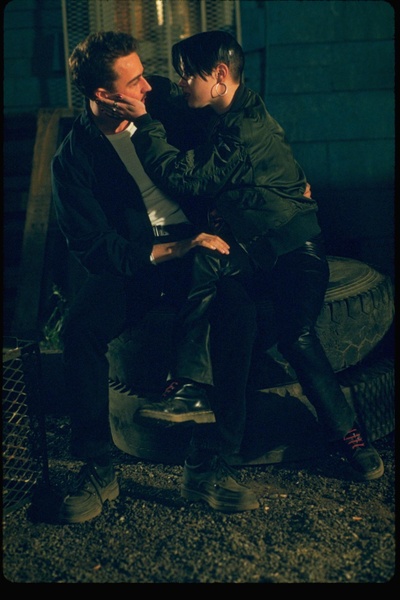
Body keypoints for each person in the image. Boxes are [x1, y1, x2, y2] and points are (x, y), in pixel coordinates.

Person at [100, 30, 384, 483]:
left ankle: (349, 435)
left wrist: (144, 124)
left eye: (188, 75)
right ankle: (193, 397)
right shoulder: (224, 110)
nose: (181, 83)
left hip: (293, 248)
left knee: (296, 336)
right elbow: (178, 107)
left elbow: (189, 178)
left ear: (219, 75)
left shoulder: (241, 127)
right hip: (247, 250)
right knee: (216, 286)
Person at [51, 30, 261, 523]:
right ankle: (97, 468)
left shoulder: (165, 101)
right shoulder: (73, 159)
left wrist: (282, 180)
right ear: (104, 95)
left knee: (238, 312)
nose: (148, 85)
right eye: (134, 81)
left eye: (144, 74)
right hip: (141, 261)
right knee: (78, 330)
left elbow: (236, 126)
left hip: (199, 245)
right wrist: (170, 250)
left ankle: (209, 463)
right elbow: (94, 248)